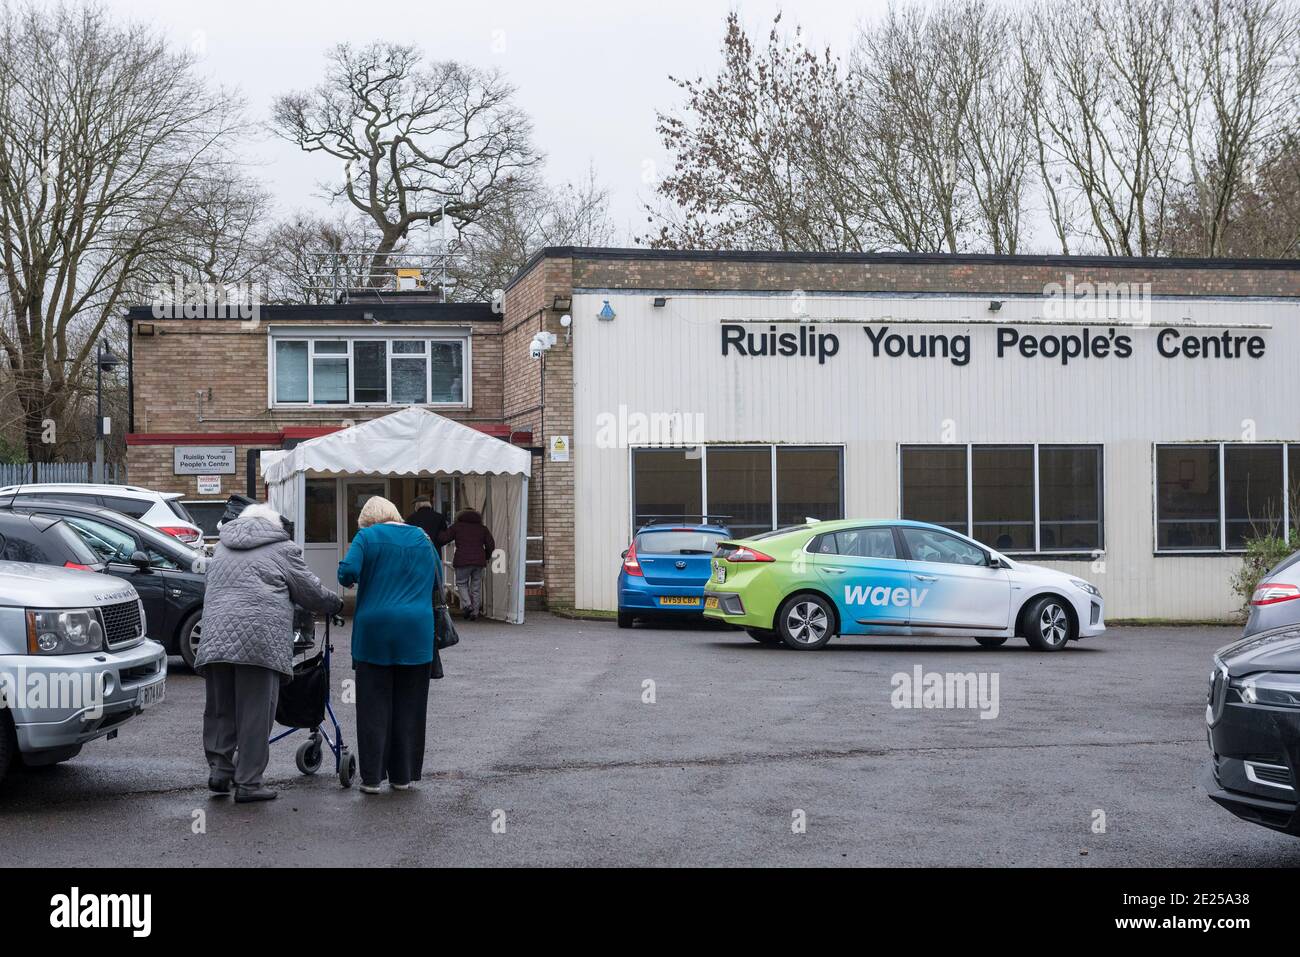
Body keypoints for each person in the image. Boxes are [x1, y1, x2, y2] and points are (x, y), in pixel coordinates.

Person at [196, 502, 342, 804]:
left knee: (220, 708)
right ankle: (249, 783)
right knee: (254, 712)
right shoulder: (282, 548)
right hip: (258, 642)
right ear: (275, 525)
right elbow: (309, 591)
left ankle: (220, 772)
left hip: (215, 638)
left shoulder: (222, 548)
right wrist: (336, 604)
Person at [338, 495, 437, 794]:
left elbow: (346, 573)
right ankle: (402, 777)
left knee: (373, 705)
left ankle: (371, 779)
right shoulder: (422, 538)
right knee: (410, 706)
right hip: (417, 633)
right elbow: (437, 580)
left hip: (375, 633)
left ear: (368, 520)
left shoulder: (366, 537)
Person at [439, 506, 495, 620]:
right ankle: (475, 612)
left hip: (462, 560)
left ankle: (467, 605)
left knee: (461, 583)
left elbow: (443, 539)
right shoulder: (482, 528)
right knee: (476, 586)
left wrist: (439, 531)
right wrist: (486, 556)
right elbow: (490, 545)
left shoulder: (457, 527)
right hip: (479, 561)